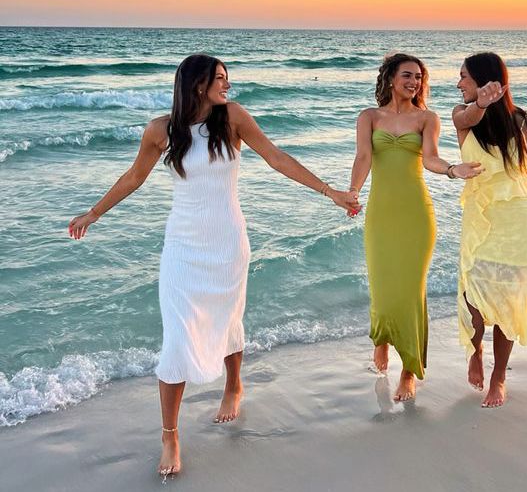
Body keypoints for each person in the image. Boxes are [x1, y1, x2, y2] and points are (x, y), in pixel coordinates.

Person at [68, 54, 359, 477]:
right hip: (183, 247)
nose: (227, 85)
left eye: (227, 77)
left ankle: (233, 385)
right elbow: (134, 177)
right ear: (197, 84)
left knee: (228, 317)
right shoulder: (161, 130)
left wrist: (329, 191)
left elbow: (277, 158)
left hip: (227, 242)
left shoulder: (233, 118)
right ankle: (170, 434)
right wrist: (93, 214)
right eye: (219, 79)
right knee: (176, 339)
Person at [348, 52, 482, 402]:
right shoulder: (369, 117)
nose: (414, 82)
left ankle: (409, 369)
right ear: (391, 78)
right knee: (381, 286)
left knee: (410, 291)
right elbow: (363, 157)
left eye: (420, 77)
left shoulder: (427, 118)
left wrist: (453, 170)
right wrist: (352, 192)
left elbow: (431, 158)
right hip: (380, 214)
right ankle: (381, 338)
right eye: (408, 75)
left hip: (415, 215)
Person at [452, 52, 527, 408]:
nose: (458, 82)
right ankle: (475, 349)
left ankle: (499, 376)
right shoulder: (462, 116)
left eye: (463, 76)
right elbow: (470, 115)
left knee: (510, 298)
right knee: (473, 291)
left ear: (483, 78)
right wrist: (480, 103)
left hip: (517, 219)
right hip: (481, 216)